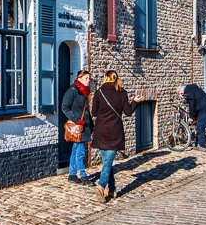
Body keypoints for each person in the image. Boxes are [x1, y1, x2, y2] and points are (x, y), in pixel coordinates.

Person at [90, 70, 144, 204]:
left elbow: (94, 112)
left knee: (107, 162)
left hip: (101, 131)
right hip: (114, 131)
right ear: (115, 79)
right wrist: (135, 101)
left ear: (105, 78)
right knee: (108, 162)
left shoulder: (98, 92)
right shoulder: (122, 93)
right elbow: (128, 112)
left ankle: (112, 189)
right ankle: (101, 186)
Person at [60, 70, 92, 185]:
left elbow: (86, 110)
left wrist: (90, 125)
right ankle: (83, 176)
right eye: (86, 78)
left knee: (75, 151)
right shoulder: (72, 90)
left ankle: (72, 174)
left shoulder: (84, 91)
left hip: (84, 126)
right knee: (81, 152)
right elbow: (65, 107)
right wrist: (76, 120)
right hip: (78, 126)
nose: (89, 81)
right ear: (79, 78)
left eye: (89, 78)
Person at [179, 83, 206, 151]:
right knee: (199, 125)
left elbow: (192, 105)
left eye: (181, 94)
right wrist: (194, 116)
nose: (182, 95)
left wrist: (191, 117)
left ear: (181, 90)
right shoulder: (192, 89)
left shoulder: (188, 92)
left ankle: (202, 146)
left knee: (200, 126)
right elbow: (196, 102)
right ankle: (198, 143)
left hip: (205, 108)